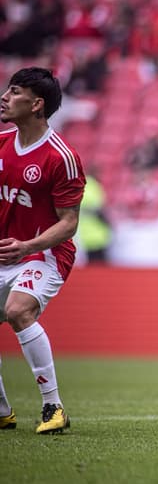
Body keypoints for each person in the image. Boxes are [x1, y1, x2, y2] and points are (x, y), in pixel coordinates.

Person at [0, 67, 86, 434]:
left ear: (36, 105)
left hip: (44, 252)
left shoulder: (60, 156)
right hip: (6, 250)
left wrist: (28, 246)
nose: (5, 97)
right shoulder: (2, 142)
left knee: (18, 310)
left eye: (14, 91)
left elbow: (69, 223)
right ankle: (2, 412)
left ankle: (54, 407)